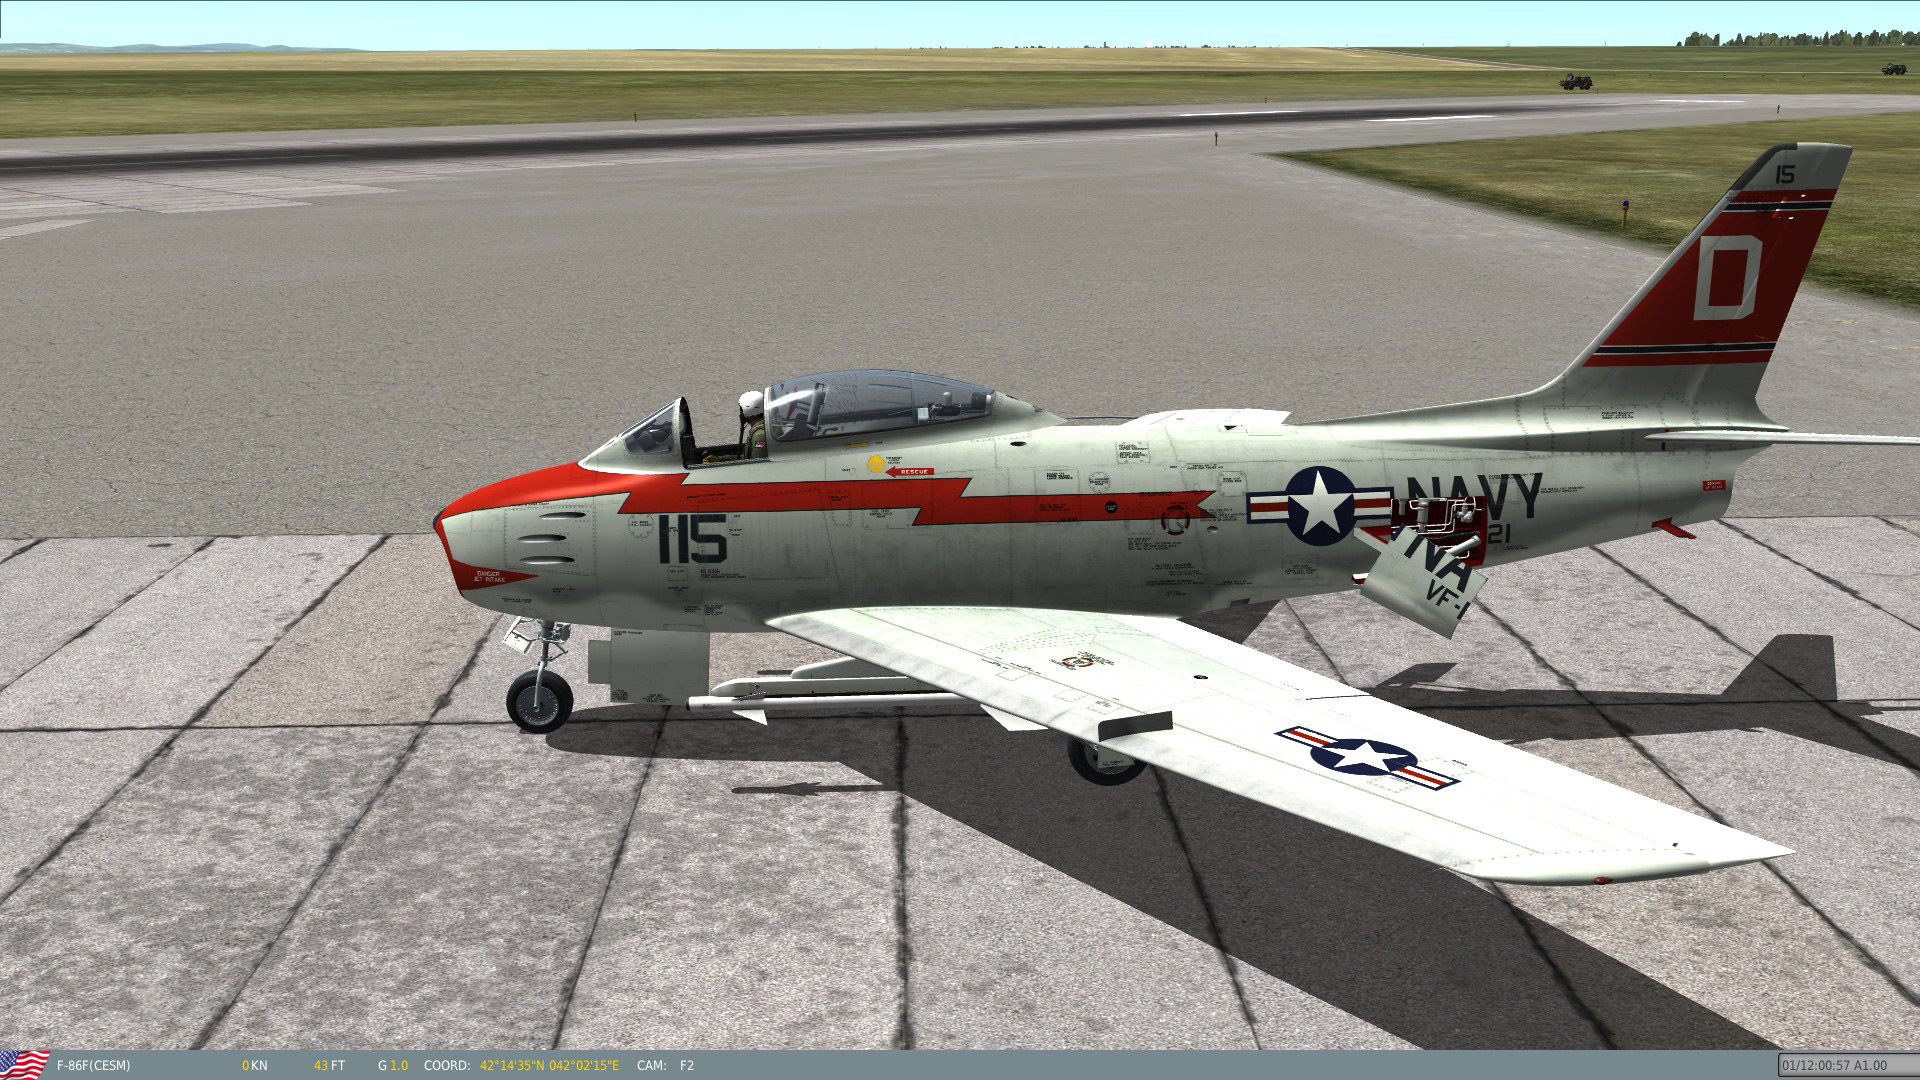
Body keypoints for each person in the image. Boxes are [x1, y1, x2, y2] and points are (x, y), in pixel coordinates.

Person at [738, 390, 768, 459]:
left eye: (742, 411)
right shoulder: (761, 430)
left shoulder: (759, 436)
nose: (741, 415)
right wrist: (722, 459)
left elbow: (757, 464)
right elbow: (747, 457)